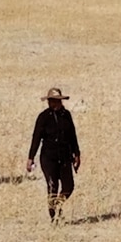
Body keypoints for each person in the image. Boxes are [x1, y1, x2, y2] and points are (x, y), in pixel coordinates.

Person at [26, 88, 81, 220]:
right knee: (53, 185)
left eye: (57, 101)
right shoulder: (43, 117)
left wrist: (77, 154)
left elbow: (72, 136)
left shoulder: (66, 115)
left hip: (65, 156)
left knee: (69, 186)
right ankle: (53, 215)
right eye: (52, 101)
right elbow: (36, 138)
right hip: (48, 157)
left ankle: (58, 204)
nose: (54, 104)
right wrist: (30, 157)